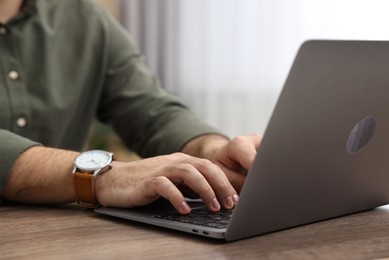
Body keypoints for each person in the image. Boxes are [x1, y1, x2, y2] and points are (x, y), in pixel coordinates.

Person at [0, 0, 260, 214]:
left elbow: (148, 106)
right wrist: (105, 176)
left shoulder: (84, 18)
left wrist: (210, 152)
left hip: (60, 235)